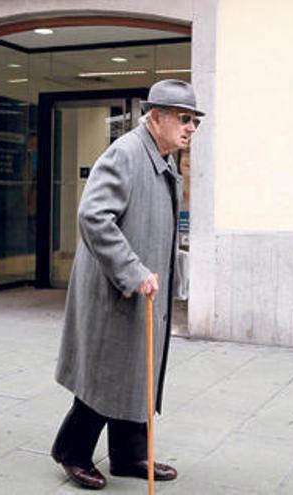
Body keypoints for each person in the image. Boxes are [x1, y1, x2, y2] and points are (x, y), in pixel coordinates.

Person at [51, 79, 203, 490]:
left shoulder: (165, 159)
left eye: (195, 122)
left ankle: (129, 454)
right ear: (156, 119)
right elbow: (94, 217)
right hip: (114, 289)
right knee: (106, 374)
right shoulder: (126, 154)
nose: (191, 128)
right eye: (184, 119)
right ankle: (72, 450)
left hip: (142, 290)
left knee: (139, 370)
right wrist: (133, 270)